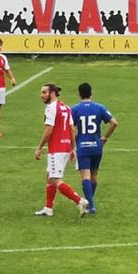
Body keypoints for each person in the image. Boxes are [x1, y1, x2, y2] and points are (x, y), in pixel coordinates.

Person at [33, 83, 89, 217]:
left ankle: (79, 201)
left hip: (56, 149)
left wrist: (39, 147)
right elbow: (71, 130)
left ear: (52, 93)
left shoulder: (51, 108)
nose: (42, 95)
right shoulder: (66, 107)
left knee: (55, 179)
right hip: (65, 147)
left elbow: (49, 130)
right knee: (49, 176)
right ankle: (48, 208)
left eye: (44, 92)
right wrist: (72, 148)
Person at [71, 82, 119, 216]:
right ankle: (90, 203)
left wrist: (75, 139)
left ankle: (90, 205)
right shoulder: (99, 107)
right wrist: (105, 138)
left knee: (85, 176)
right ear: (91, 93)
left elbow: (70, 128)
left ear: (79, 94)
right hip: (96, 146)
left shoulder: (74, 109)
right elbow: (114, 123)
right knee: (94, 175)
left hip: (83, 146)